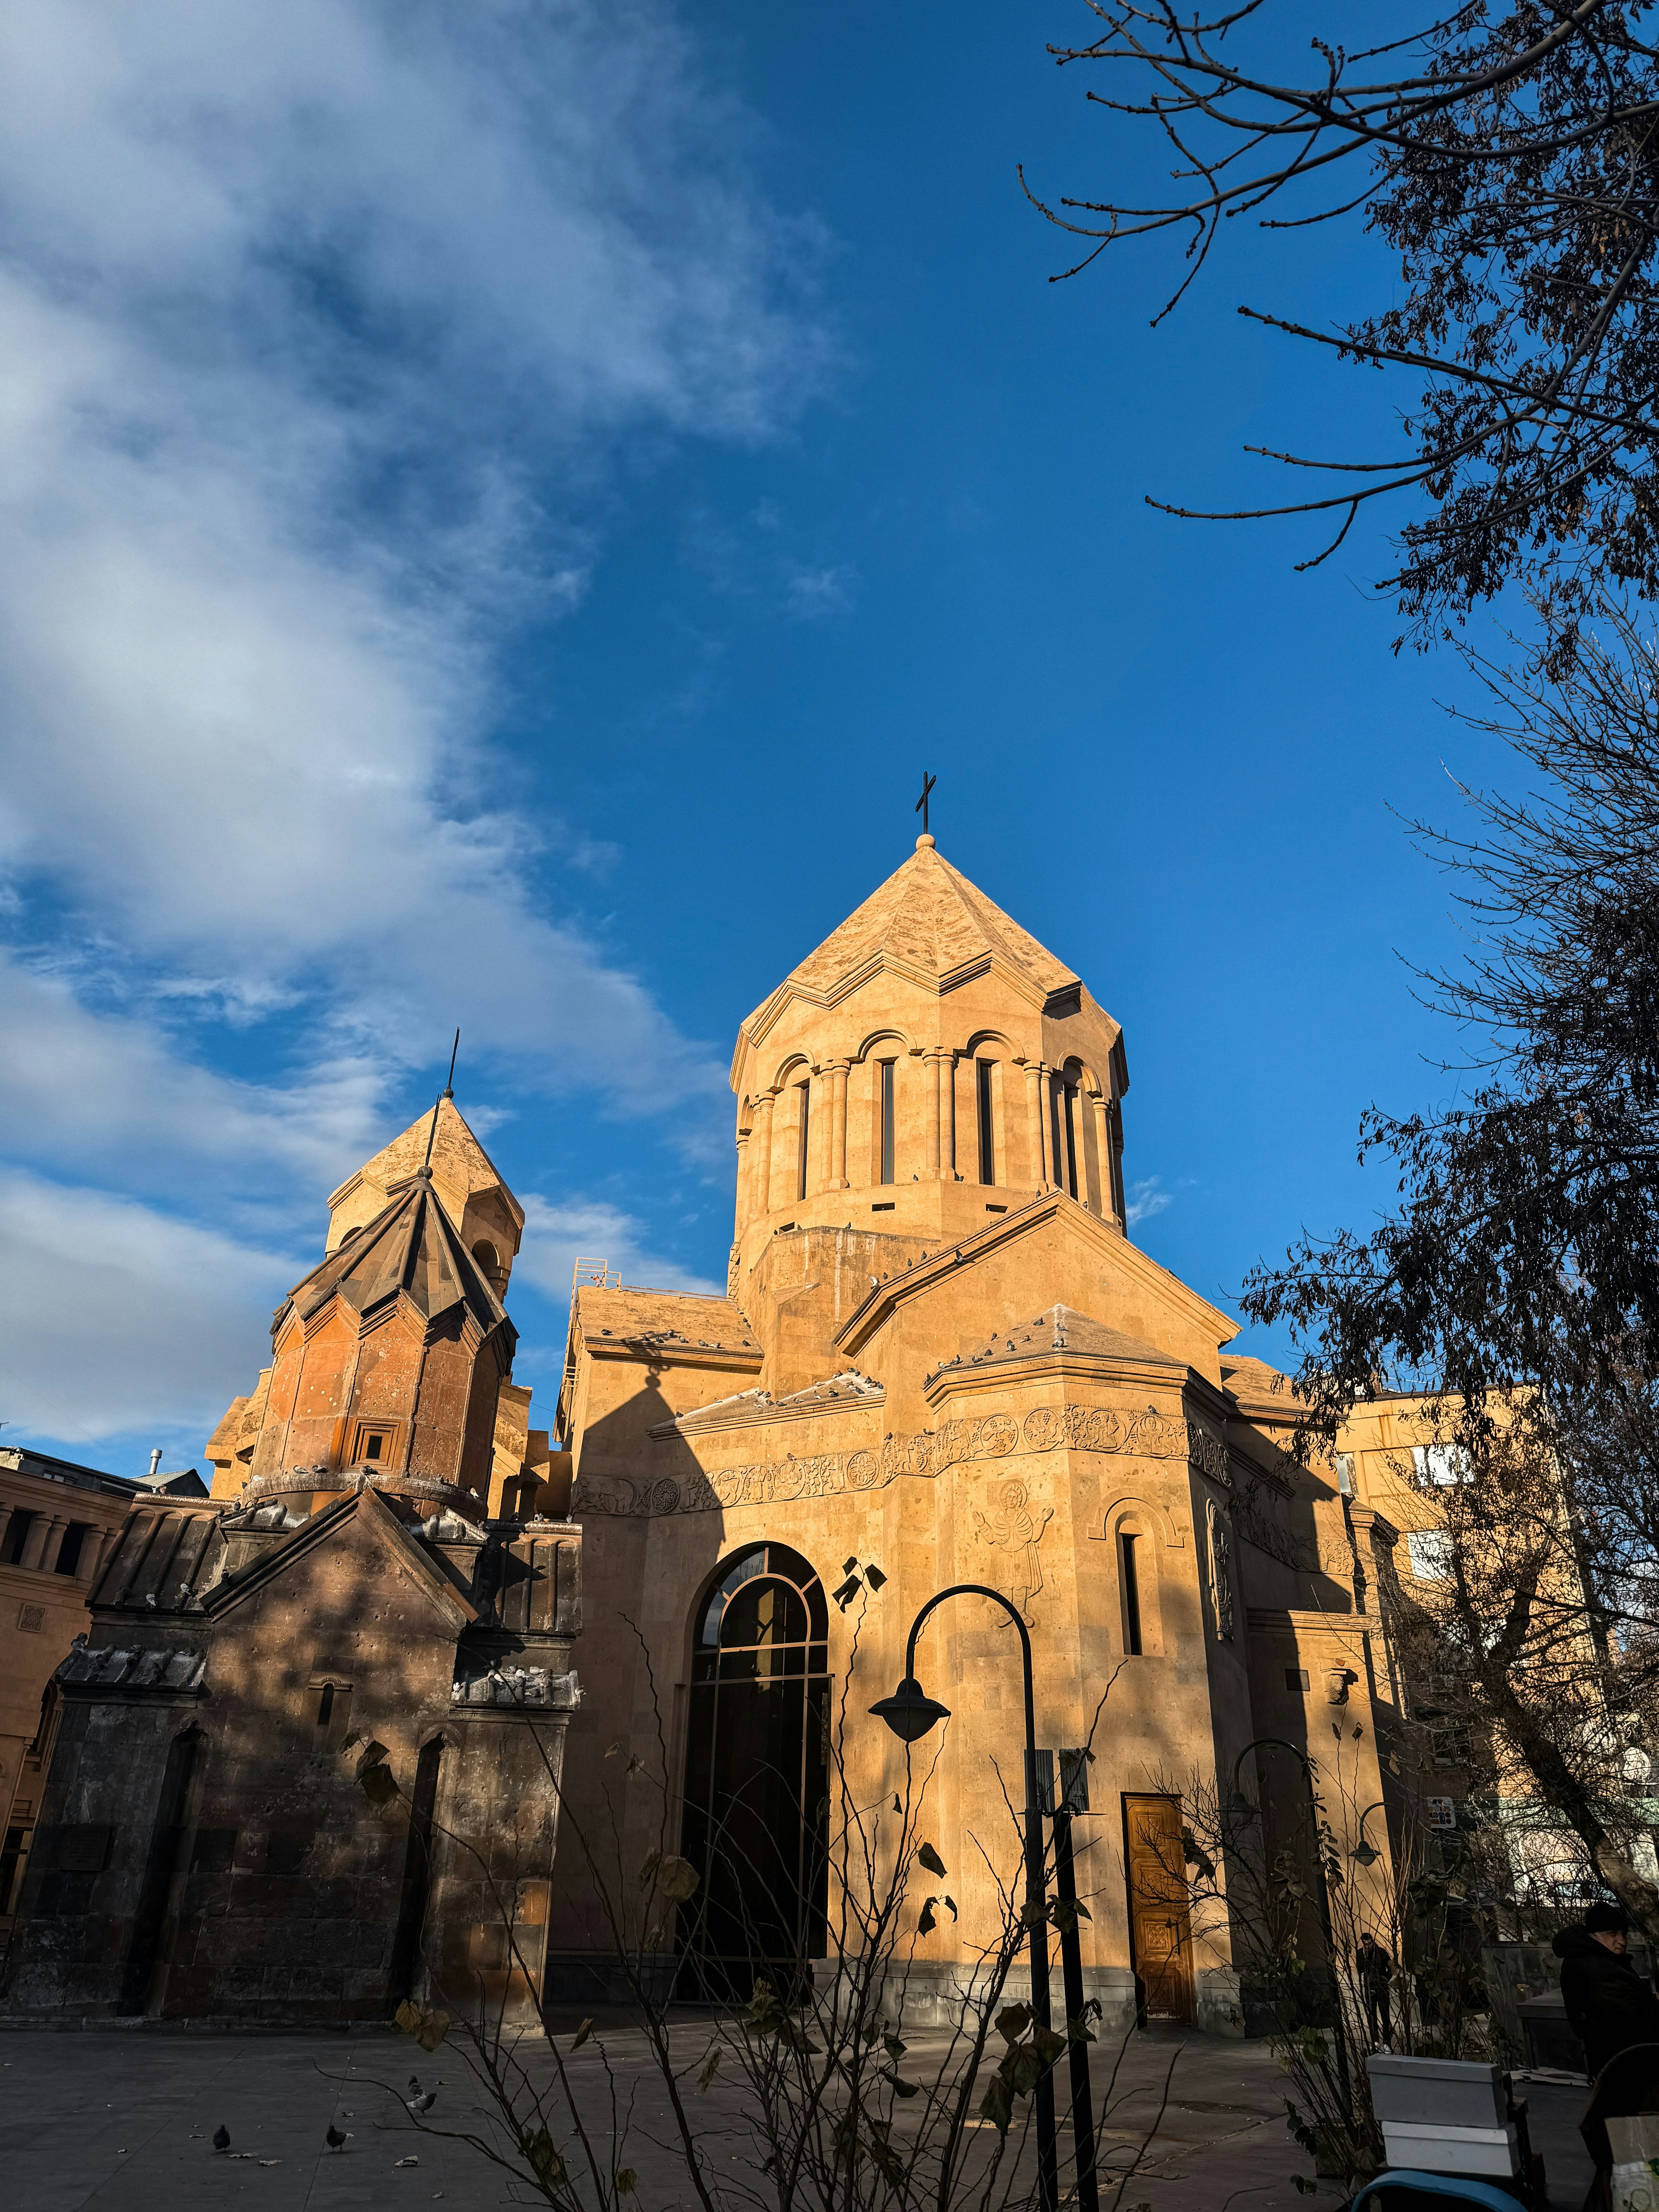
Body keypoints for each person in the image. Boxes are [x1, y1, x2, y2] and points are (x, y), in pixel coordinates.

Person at [1553, 1903, 1659, 2078]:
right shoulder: (1602, 1970)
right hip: (1627, 2066)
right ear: (1594, 1935)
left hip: (1611, 2061)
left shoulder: (1587, 1959)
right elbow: (1639, 2023)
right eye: (1613, 1934)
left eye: (1624, 1934)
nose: (1622, 1941)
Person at [1357, 1932, 1395, 2048]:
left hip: (1382, 1988)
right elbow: (1360, 1970)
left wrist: (1385, 1979)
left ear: (1373, 1942)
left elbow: (1392, 1967)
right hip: (1369, 1988)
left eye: (1370, 1943)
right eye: (1366, 1944)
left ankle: (1387, 2043)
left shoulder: (1382, 1952)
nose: (1369, 1946)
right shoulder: (1361, 1953)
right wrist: (1365, 1957)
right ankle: (1376, 2042)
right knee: (1372, 2017)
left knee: (1385, 2016)